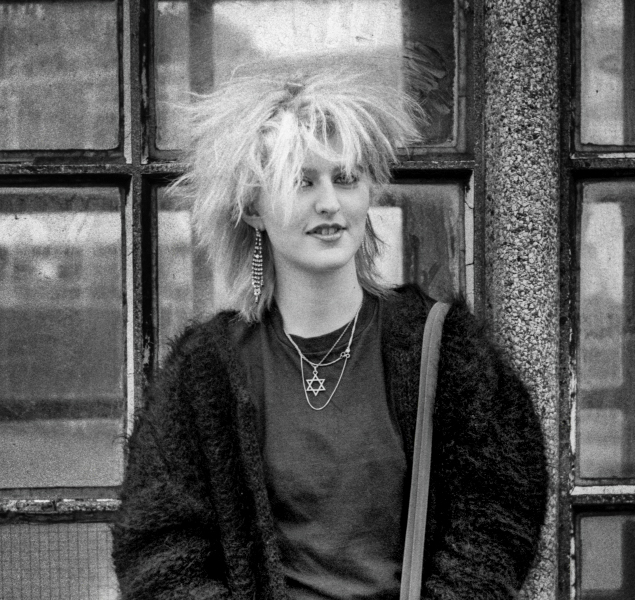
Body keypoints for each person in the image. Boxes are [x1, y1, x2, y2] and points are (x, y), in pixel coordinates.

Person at [111, 71, 547, 600]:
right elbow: (158, 546)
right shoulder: (205, 373)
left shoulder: (445, 348)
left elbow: (499, 513)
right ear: (253, 208)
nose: (329, 203)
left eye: (345, 179)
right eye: (302, 181)